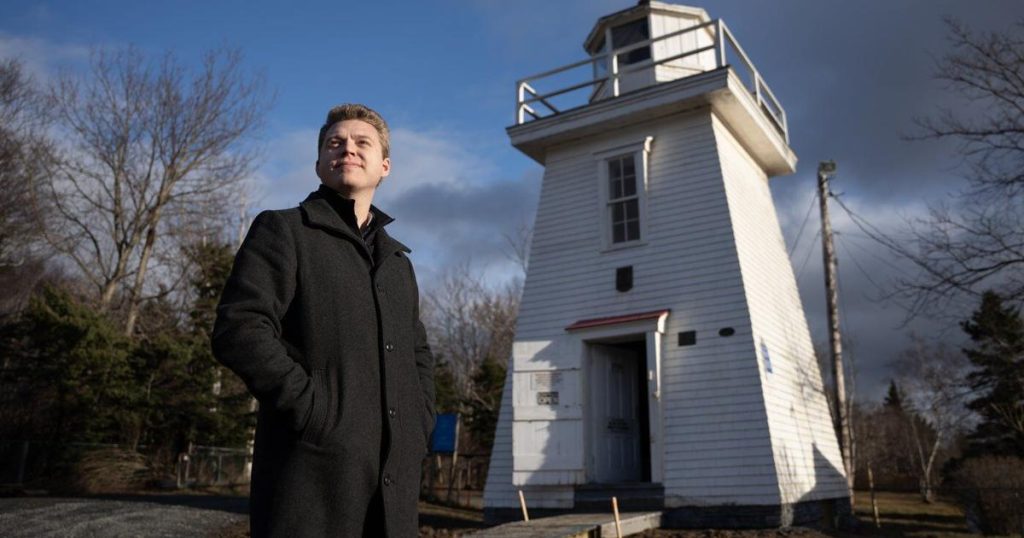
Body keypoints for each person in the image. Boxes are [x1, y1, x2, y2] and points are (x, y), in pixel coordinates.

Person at [212, 104, 435, 537]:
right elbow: (240, 328)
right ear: (319, 163)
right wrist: (316, 412)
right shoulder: (284, 231)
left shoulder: (397, 262)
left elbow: (417, 353)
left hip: (394, 490)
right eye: (335, 142)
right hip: (310, 480)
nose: (347, 148)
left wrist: (418, 423)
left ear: (384, 165)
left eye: (361, 142)